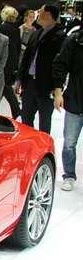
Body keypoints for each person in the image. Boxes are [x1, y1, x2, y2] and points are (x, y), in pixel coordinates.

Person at [17, 4, 67, 134]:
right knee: (26, 118)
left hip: (46, 86)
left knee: (44, 122)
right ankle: (28, 142)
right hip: (29, 83)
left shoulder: (60, 36)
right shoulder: (36, 33)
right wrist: (20, 79)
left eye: (41, 11)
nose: (38, 13)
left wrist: (57, 89)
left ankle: (43, 145)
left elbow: (61, 65)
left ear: (48, 15)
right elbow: (26, 58)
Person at [53, 26, 83, 191]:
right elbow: (60, 65)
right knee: (70, 142)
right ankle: (69, 175)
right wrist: (58, 93)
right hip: (76, 98)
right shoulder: (74, 40)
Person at [0, 6, 22, 118]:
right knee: (3, 87)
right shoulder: (16, 29)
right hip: (11, 62)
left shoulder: (1, 28)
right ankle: (15, 110)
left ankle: (16, 109)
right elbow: (17, 48)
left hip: (2, 62)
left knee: (3, 86)